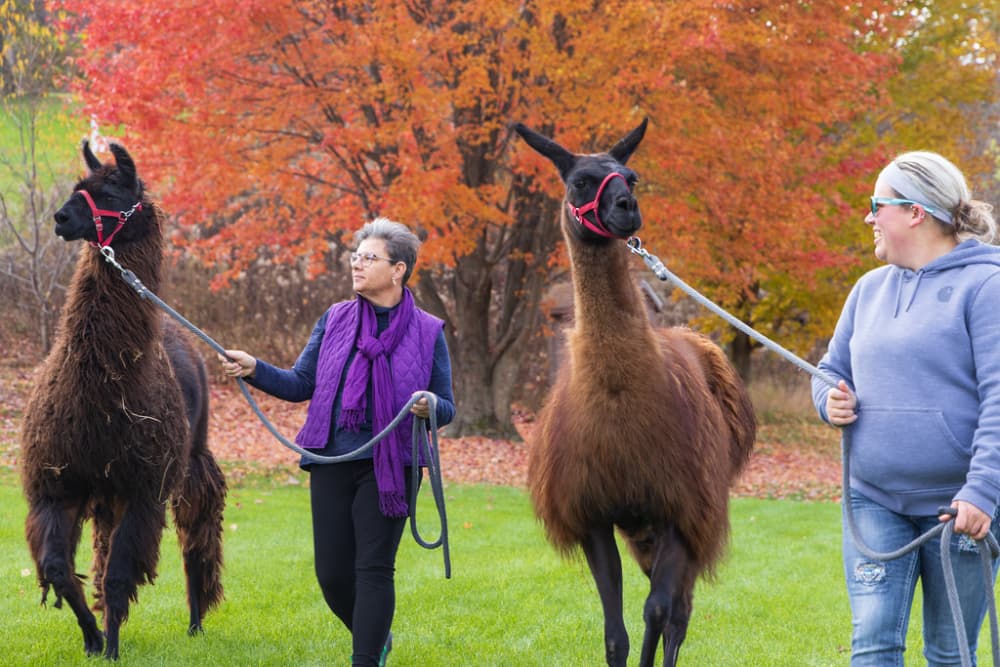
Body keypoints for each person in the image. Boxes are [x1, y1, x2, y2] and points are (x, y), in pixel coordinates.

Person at [221, 217, 456, 666]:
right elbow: (300, 382)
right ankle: (377, 638)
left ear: (398, 269)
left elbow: (446, 405)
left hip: (392, 465)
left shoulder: (428, 331)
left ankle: (365, 658)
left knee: (373, 569)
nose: (357, 264)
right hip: (330, 456)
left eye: (369, 257)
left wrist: (429, 405)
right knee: (331, 574)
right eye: (356, 256)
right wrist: (255, 367)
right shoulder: (335, 319)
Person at [812, 151, 1000, 666]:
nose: (868, 216)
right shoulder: (867, 290)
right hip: (874, 502)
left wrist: (983, 491)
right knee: (872, 644)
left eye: (878, 204)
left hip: (960, 511)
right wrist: (829, 401)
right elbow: (829, 371)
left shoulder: (988, 287)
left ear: (915, 212)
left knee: (950, 651)